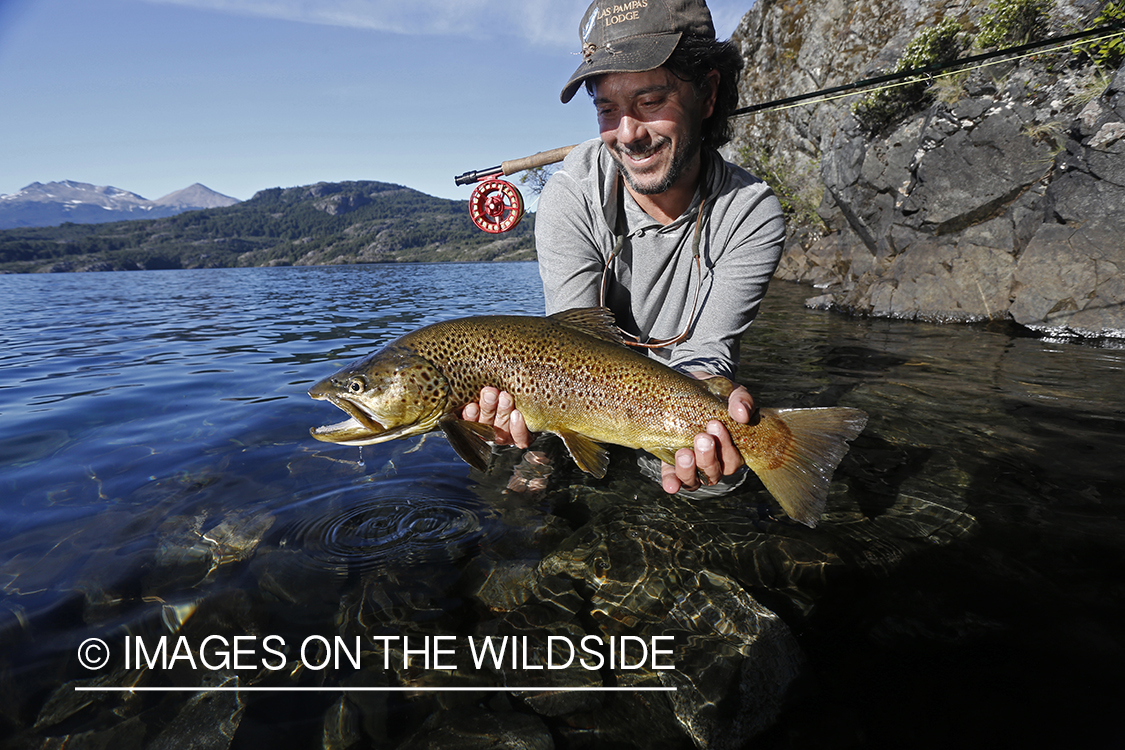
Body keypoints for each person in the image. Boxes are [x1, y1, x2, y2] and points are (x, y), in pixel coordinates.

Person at [462, 0, 786, 494]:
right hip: (577, 389)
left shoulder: (751, 213)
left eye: (651, 101)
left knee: (711, 481)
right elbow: (566, 354)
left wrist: (711, 414)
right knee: (518, 482)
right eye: (607, 110)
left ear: (708, 92)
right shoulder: (570, 194)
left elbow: (707, 356)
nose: (629, 134)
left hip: (677, 394)